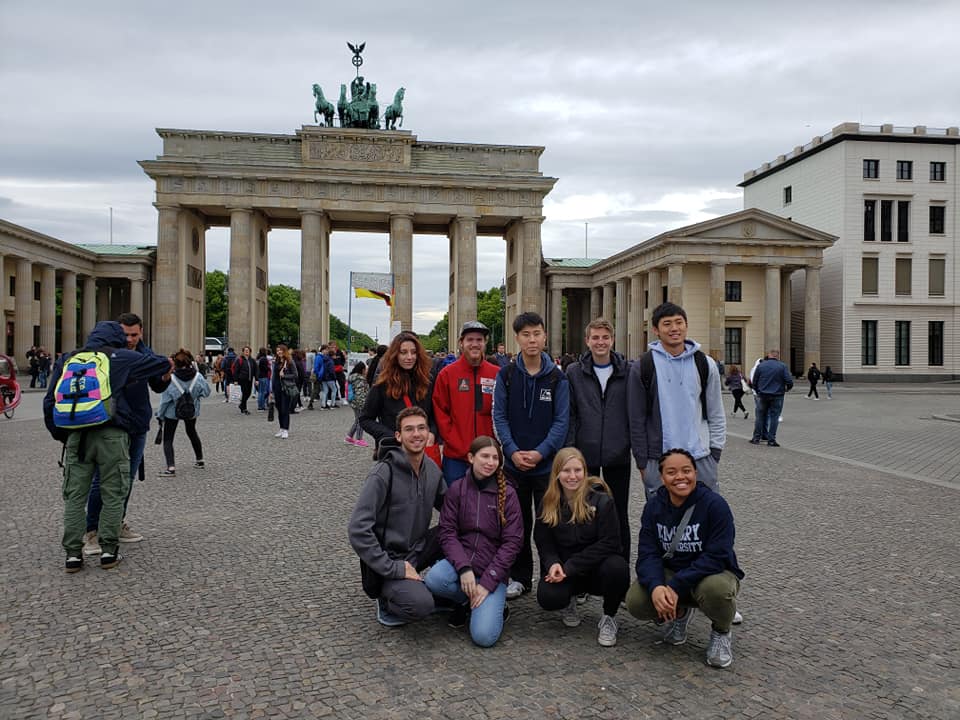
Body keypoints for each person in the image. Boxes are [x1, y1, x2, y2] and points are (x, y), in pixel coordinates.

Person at [43, 321, 174, 572]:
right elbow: (160, 363)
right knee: (113, 491)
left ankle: (73, 555)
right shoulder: (119, 356)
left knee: (74, 496)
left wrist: (62, 435)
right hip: (111, 434)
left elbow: (50, 402)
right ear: (116, 338)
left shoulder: (68, 359)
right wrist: (139, 351)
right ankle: (108, 551)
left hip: (76, 436)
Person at [625, 448, 744, 668]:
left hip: (711, 573)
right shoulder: (654, 507)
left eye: (686, 471)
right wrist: (657, 587)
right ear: (662, 478)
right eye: (672, 472)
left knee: (716, 591)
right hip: (673, 571)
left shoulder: (715, 505)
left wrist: (677, 586)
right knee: (637, 602)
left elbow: (718, 555)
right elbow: (648, 553)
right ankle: (678, 613)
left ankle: (721, 632)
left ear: (695, 473)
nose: (680, 477)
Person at [492, 311, 570, 600]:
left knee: (550, 523)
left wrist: (540, 453)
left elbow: (561, 422)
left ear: (545, 336)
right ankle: (521, 576)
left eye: (536, 333)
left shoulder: (556, 377)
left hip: (546, 466)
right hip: (514, 466)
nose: (532, 339)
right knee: (517, 523)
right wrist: (511, 451)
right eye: (526, 334)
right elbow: (499, 416)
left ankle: (555, 572)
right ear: (517, 339)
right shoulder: (507, 375)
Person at [82, 312, 171, 555]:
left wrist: (165, 376)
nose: (130, 339)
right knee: (102, 478)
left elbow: (157, 384)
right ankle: (92, 531)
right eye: (126, 334)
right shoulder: (108, 354)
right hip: (109, 424)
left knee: (126, 479)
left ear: (141, 332)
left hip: (138, 422)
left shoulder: (145, 353)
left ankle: (114, 523)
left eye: (134, 334)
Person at [348, 406, 446, 627]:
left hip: (417, 550)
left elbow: (452, 509)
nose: (417, 434)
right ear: (398, 436)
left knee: (453, 527)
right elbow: (357, 529)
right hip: (389, 560)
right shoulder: (383, 473)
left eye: (421, 428)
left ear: (428, 433)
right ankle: (387, 598)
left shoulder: (431, 470)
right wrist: (394, 567)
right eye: (409, 429)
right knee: (421, 605)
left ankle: (434, 587)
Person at [424, 436, 523, 647]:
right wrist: (463, 568)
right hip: (463, 561)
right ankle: (464, 600)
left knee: (484, 637)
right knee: (434, 579)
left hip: (493, 570)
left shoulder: (509, 495)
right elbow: (447, 532)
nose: (490, 462)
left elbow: (512, 543)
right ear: (471, 457)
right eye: (484, 456)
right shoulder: (457, 490)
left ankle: (491, 602)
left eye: (495, 458)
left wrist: (487, 583)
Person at [628, 302, 726, 498]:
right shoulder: (643, 367)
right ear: (655, 330)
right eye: (667, 324)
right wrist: (643, 463)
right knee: (662, 522)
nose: (674, 328)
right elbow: (636, 420)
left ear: (686, 325)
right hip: (658, 459)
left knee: (705, 519)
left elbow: (716, 412)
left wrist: (714, 452)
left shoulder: (705, 364)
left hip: (700, 457)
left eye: (679, 322)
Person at [534, 447, 629, 647]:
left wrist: (571, 567)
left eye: (578, 470)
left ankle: (609, 617)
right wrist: (553, 563)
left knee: (618, 568)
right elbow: (543, 541)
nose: (572, 476)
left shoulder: (602, 500)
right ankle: (569, 600)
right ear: (557, 473)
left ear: (585, 472)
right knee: (548, 597)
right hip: (565, 567)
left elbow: (610, 543)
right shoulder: (548, 501)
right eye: (566, 470)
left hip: (595, 568)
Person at [565, 318, 632, 562]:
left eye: (605, 337)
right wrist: (572, 451)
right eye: (595, 337)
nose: (600, 342)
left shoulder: (628, 371)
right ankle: (583, 573)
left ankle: (620, 570)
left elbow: (634, 414)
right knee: (583, 513)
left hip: (618, 454)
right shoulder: (574, 372)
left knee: (618, 513)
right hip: (585, 455)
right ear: (587, 341)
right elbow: (570, 414)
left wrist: (631, 444)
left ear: (612, 340)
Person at [431, 320, 501, 486]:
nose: (475, 344)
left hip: (488, 456)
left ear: (485, 343)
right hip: (456, 456)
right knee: (454, 506)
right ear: (461, 343)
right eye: (470, 340)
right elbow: (440, 411)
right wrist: (455, 441)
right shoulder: (447, 374)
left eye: (479, 340)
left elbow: (503, 413)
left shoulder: (497, 374)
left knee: (487, 507)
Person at [360, 331, 437, 456]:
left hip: (423, 451)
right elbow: (365, 419)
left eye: (413, 352)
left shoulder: (427, 381)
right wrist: (394, 436)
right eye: (403, 352)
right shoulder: (383, 385)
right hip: (395, 451)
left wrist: (432, 432)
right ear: (395, 355)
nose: (409, 357)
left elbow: (433, 415)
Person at [156, 349, 211, 476]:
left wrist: (160, 415)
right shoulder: (198, 377)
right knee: (192, 432)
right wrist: (195, 395)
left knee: (168, 438)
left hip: (171, 412)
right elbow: (207, 392)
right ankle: (200, 459)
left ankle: (171, 467)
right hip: (191, 409)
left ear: (175, 364)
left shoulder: (172, 379)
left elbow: (164, 401)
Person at [749, 349, 793, 448]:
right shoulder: (782, 366)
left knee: (760, 416)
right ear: (778, 356)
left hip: (763, 395)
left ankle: (756, 438)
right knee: (774, 417)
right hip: (777, 395)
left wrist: (758, 391)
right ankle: (771, 440)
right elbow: (789, 381)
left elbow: (754, 382)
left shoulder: (761, 366)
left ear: (769, 355)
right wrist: (786, 389)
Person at [270, 344, 301, 439]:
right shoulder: (276, 362)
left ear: (284, 351)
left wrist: (284, 376)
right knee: (279, 409)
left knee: (285, 409)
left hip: (286, 388)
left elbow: (295, 375)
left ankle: (286, 429)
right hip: (277, 388)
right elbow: (274, 377)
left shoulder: (290, 362)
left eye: (280, 350)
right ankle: (281, 428)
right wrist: (271, 390)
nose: (279, 352)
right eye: (277, 350)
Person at [345, 361, 370, 447]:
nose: (367, 371)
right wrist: (364, 405)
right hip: (359, 403)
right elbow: (360, 394)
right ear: (362, 370)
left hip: (353, 402)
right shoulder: (360, 379)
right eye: (366, 369)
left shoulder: (352, 377)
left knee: (357, 420)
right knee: (361, 421)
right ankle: (359, 439)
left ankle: (349, 436)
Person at [231, 346, 256, 415]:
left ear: (250, 352)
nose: (247, 351)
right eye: (245, 350)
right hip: (242, 379)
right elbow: (236, 370)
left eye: (248, 350)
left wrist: (256, 379)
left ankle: (241, 405)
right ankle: (244, 408)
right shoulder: (239, 360)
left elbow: (256, 370)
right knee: (245, 393)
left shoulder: (252, 360)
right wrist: (235, 380)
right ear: (243, 352)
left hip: (250, 379)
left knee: (248, 393)